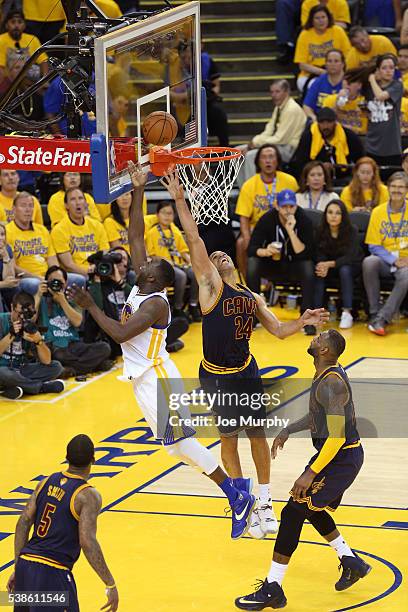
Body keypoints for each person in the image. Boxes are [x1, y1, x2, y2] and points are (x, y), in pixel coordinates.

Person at [70, 162, 257, 541]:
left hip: (158, 378)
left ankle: (237, 494)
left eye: (150, 263)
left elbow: (121, 333)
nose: (142, 258)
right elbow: (136, 233)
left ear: (155, 279)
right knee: (174, 450)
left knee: (183, 442)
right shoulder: (145, 279)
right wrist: (139, 188)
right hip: (144, 378)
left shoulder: (155, 304)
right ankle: (239, 491)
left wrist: (91, 305)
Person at [160, 171, 328, 537]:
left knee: (256, 436)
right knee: (229, 439)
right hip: (217, 375)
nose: (217, 255)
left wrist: (302, 321)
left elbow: (279, 331)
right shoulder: (210, 286)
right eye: (213, 255)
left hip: (247, 371)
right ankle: (242, 501)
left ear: (233, 262)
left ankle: (265, 503)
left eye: (223, 254)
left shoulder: (251, 297)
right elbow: (193, 238)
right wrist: (178, 199)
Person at [235, 330, 369, 610]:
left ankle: (274, 587)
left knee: (293, 511)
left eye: (319, 337)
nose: (314, 337)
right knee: (310, 507)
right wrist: (289, 429)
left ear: (323, 351)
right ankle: (349, 560)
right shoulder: (326, 374)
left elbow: (337, 436)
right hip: (335, 456)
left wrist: (310, 473)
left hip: (341, 457)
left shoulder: (331, 384)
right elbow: (318, 415)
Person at [7, 434, 119, 612]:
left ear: (66, 458)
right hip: (52, 572)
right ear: (93, 459)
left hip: (26, 566)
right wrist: (109, 583)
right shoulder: (88, 495)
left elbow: (23, 522)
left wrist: (18, 566)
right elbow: (87, 542)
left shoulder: (45, 482)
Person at [246, 189, 317, 334]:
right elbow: (251, 249)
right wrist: (266, 251)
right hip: (273, 266)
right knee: (253, 263)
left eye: (291, 206)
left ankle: (307, 318)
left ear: (296, 206)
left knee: (308, 267)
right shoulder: (267, 219)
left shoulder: (303, 219)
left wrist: (290, 231)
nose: (288, 210)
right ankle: (253, 315)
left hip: (296, 266)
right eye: (284, 207)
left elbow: (306, 253)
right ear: (277, 206)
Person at [36, 266, 113, 378]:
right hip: (54, 346)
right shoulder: (41, 300)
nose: (56, 284)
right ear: (46, 282)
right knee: (59, 355)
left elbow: (78, 322)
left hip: (74, 345)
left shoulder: (71, 300)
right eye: (53, 281)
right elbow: (31, 318)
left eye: (60, 282)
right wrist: (38, 295)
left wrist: (62, 301)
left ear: (65, 283)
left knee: (104, 348)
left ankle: (70, 370)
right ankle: (94, 365)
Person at [235, 145, 298, 278]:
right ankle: (247, 282)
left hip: (283, 227)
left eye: (271, 157)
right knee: (241, 243)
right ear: (258, 162)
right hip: (257, 229)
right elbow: (244, 217)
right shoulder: (249, 185)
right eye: (264, 157)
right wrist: (247, 239)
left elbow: (297, 209)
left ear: (277, 160)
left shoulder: (290, 181)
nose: (268, 160)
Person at [363, 172, 408, 335]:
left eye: (401, 187)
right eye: (394, 186)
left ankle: (382, 318)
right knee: (369, 262)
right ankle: (374, 312)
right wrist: (392, 259)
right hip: (385, 259)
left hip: (406, 261)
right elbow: (373, 246)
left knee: (407, 274)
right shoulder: (378, 212)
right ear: (388, 189)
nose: (397, 190)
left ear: (406, 190)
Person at [0, 291, 64, 400]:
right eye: (18, 313)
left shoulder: (30, 326)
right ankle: (42, 387)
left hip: (21, 369)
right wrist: (11, 335)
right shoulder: (1, 321)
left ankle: (13, 388)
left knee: (56, 367)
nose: (21, 318)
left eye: (25, 315)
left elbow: (47, 361)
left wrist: (38, 341)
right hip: (3, 369)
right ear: (11, 307)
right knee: (3, 373)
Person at [145, 201, 200, 321]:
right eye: (164, 213)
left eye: (170, 213)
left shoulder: (175, 232)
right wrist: (165, 262)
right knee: (180, 276)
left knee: (196, 272)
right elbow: (152, 255)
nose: (167, 216)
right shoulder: (152, 233)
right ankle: (177, 307)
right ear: (157, 214)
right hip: (163, 266)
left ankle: (193, 304)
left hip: (179, 263)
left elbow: (183, 251)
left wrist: (192, 263)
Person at [314, 200, 363, 328]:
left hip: (352, 265)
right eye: (330, 212)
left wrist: (328, 264)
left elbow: (350, 256)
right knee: (319, 271)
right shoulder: (320, 230)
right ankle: (318, 314)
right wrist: (322, 264)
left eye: (338, 213)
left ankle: (347, 313)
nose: (333, 216)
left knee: (345, 270)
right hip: (330, 266)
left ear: (343, 216)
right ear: (325, 215)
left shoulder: (352, 230)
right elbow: (318, 252)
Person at [242, 80, 306, 176]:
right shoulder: (279, 107)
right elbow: (269, 130)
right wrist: (254, 142)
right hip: (277, 144)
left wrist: (256, 144)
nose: (273, 95)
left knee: (251, 156)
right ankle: (243, 187)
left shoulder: (291, 109)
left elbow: (280, 139)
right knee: (238, 151)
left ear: (287, 92)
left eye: (277, 92)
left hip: (288, 149)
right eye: (272, 92)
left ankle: (253, 188)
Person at [51, 187, 109, 283]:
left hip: (98, 269)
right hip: (77, 274)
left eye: (80, 198)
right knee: (82, 280)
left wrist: (99, 269)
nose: (78, 202)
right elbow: (68, 265)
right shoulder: (59, 230)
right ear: (66, 205)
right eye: (73, 199)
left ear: (86, 203)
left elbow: (105, 252)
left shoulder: (97, 225)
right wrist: (92, 273)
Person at [6, 192, 58, 295]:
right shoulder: (7, 232)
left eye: (30, 206)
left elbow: (52, 259)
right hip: (25, 278)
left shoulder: (42, 230)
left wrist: (56, 274)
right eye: (23, 206)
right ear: (14, 209)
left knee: (77, 279)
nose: (28, 210)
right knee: (36, 284)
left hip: (46, 276)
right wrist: (38, 277)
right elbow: (13, 267)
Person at [293, 107, 365, 179]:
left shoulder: (348, 136)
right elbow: (300, 163)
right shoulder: (308, 136)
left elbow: (361, 160)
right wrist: (319, 167)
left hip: (344, 178)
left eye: (329, 122)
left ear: (335, 122)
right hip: (316, 179)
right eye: (322, 122)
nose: (325, 126)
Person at [294, 5, 350, 92]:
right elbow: (302, 65)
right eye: (317, 18)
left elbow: (348, 56)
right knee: (319, 86)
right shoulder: (305, 34)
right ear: (312, 20)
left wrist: (336, 71)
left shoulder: (338, 31)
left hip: (338, 71)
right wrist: (324, 72)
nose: (321, 21)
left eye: (323, 17)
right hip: (311, 74)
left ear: (328, 18)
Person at [364, 54, 403, 168]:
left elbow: (380, 96)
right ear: (378, 70)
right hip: (372, 144)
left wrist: (371, 79)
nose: (388, 71)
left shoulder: (397, 86)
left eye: (391, 67)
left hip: (391, 146)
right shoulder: (368, 87)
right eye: (384, 68)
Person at [0, 9, 48, 87]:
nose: (16, 26)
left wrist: (45, 79)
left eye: (19, 22)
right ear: (6, 25)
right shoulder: (1, 40)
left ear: (24, 25)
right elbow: (1, 68)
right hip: (10, 76)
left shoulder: (33, 39)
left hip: (31, 74)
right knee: (17, 69)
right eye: (13, 22)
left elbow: (43, 61)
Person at [303, 49, 345, 121]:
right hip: (320, 122)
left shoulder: (349, 83)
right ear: (325, 64)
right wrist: (315, 119)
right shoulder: (318, 82)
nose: (332, 64)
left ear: (342, 64)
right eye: (329, 61)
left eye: (336, 61)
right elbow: (307, 106)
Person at [322, 69, 368, 136]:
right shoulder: (330, 99)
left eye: (351, 81)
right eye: (345, 81)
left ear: (359, 85)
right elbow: (325, 121)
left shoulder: (365, 101)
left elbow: (368, 130)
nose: (347, 84)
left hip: (359, 137)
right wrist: (336, 103)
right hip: (337, 135)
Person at [0, 221, 19, 312]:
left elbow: (9, 277)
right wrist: (4, 284)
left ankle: (18, 320)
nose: (0, 238)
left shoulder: (7, 248)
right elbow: (6, 282)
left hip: (3, 286)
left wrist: (5, 257)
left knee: (14, 288)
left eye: (2, 234)